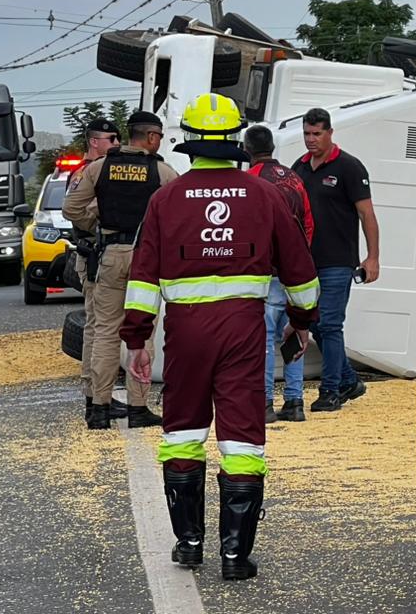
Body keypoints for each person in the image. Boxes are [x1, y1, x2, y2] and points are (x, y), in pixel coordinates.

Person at [120, 93, 320, 581]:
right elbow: (300, 272)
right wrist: (301, 321)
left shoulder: (166, 199)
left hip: (186, 334)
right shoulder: (264, 195)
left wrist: (137, 340)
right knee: (243, 438)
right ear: (235, 138)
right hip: (243, 331)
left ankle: (189, 544)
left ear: (189, 138)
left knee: (182, 433)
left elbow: (142, 278)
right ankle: (235, 555)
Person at [64, 111, 177, 429]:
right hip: (146, 259)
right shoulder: (162, 172)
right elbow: (181, 213)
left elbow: (71, 208)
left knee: (105, 332)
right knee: (143, 332)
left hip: (110, 255)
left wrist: (99, 227)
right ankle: (138, 407)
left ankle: (98, 408)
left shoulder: (99, 167)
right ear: (151, 137)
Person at [291, 107, 379, 413]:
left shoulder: (349, 167)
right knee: (313, 323)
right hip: (306, 262)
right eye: (306, 133)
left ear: (330, 132)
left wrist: (372, 257)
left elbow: (367, 214)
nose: (311, 139)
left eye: (317, 133)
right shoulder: (300, 167)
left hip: (338, 261)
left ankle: (330, 390)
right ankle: (348, 380)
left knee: (329, 323)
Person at [242, 124, 315, 424]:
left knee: (264, 338)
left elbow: (247, 226)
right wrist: (298, 259)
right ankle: (295, 401)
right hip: (295, 272)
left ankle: (264, 403)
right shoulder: (294, 177)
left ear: (246, 150)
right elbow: (308, 222)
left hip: (266, 272)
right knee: (294, 333)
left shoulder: (250, 180)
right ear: (272, 147)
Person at [66, 118, 124, 423]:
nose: (117, 144)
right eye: (111, 138)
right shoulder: (85, 172)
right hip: (93, 253)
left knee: (101, 326)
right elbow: (78, 212)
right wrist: (104, 227)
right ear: (94, 142)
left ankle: (100, 393)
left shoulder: (106, 169)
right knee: (97, 327)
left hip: (102, 254)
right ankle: (94, 395)